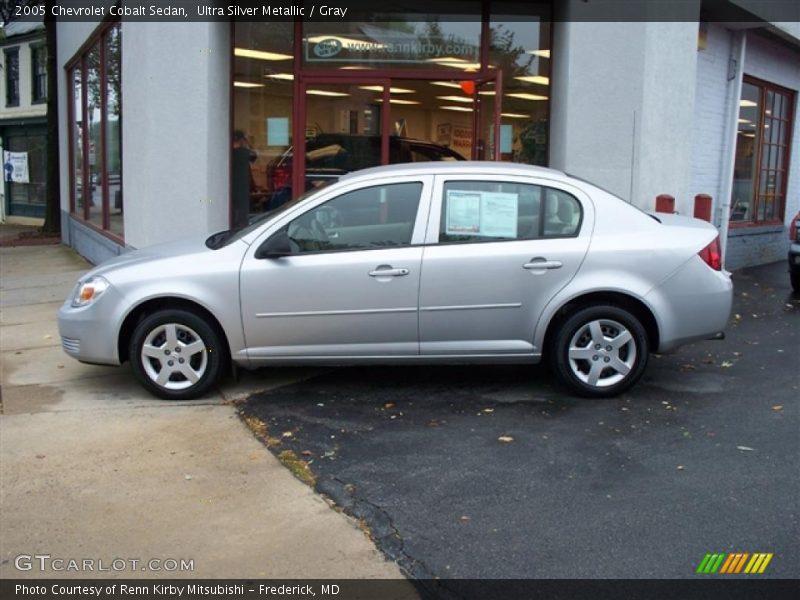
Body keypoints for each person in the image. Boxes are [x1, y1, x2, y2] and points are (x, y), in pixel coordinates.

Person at [232, 130, 257, 228]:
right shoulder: (244, 152)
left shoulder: (229, 153)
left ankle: (236, 223)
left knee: (234, 208)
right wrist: (248, 143)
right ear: (242, 140)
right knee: (242, 209)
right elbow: (254, 156)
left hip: (233, 184)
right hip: (242, 184)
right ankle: (242, 224)